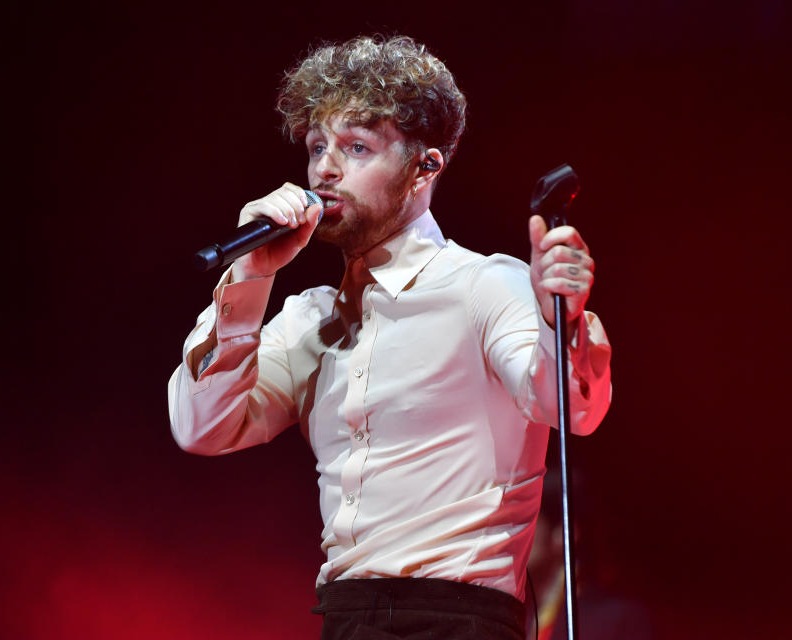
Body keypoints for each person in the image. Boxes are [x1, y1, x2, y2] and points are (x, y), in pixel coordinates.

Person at [168, 35, 612, 640]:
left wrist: (561, 312)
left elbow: (570, 407)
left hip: (458, 620)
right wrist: (250, 274)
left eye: (355, 147)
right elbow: (201, 429)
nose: (325, 168)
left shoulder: (485, 285)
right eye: (317, 146)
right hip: (345, 619)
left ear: (424, 167)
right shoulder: (309, 319)